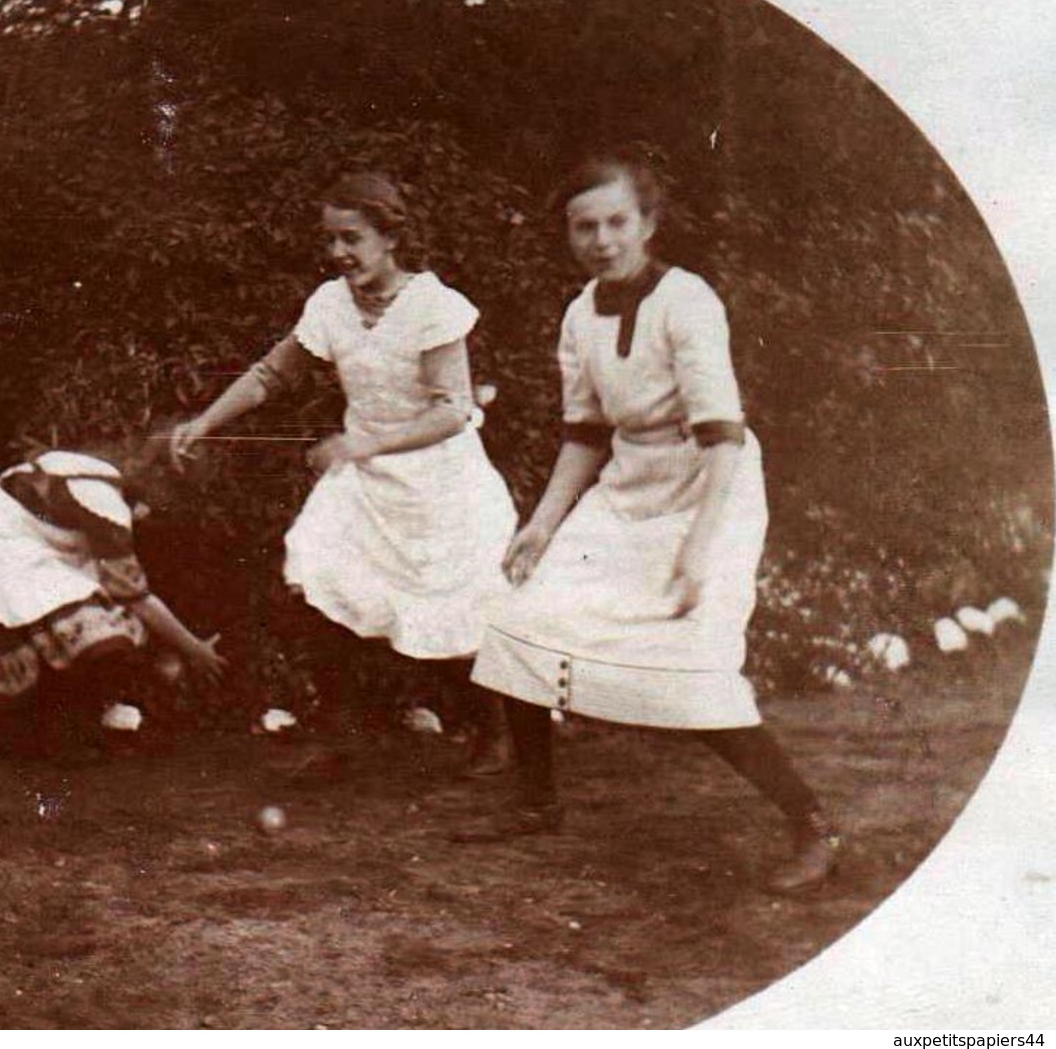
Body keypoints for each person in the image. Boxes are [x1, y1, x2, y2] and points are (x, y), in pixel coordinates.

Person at [465, 149, 841, 895]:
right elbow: (585, 431)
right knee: (522, 610)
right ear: (567, 234)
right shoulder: (578, 314)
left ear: (647, 223)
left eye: (616, 222)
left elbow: (720, 432)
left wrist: (700, 546)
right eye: (583, 227)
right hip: (627, 483)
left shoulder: (687, 301)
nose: (601, 240)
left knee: (688, 658)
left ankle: (810, 821)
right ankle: (535, 802)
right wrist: (539, 527)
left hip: (710, 483)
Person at [170, 173, 519, 775]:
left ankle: (496, 732)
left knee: (457, 605)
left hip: (442, 483)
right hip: (366, 479)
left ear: (390, 237)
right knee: (321, 577)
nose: (338, 253)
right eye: (330, 240)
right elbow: (271, 374)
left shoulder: (433, 307)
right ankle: (336, 734)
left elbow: (453, 411)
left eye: (352, 238)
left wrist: (363, 445)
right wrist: (204, 422)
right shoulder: (330, 303)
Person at [0, 446, 227, 760]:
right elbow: (137, 598)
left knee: (91, 614)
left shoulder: (97, 471)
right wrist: (195, 649)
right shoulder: (105, 504)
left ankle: (39, 718)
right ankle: (52, 728)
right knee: (101, 630)